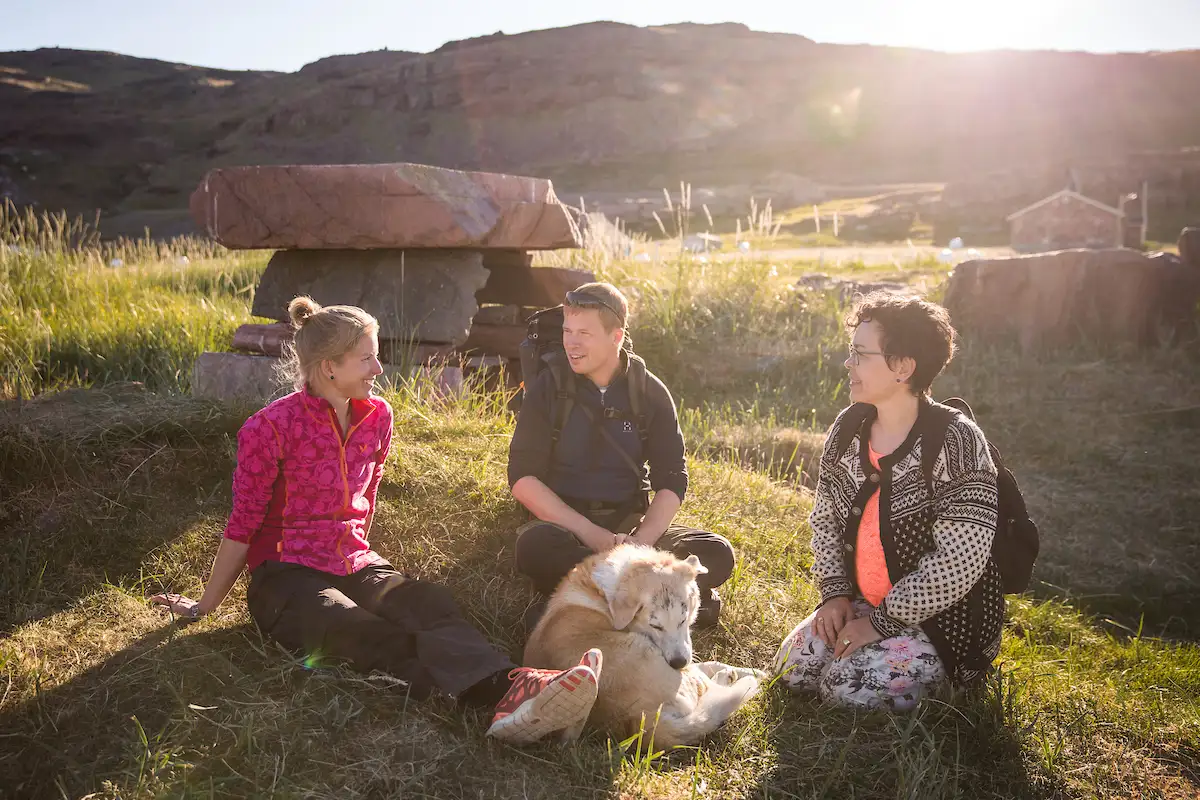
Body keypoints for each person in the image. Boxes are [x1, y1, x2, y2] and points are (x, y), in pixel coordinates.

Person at [151, 296, 602, 745]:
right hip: (285, 579)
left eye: (377, 356)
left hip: (353, 561)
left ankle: (521, 688)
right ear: (330, 366)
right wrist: (206, 605)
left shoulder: (378, 418)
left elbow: (366, 497)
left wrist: (364, 567)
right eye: (367, 358)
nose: (378, 370)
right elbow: (243, 524)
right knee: (358, 628)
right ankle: (504, 699)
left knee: (428, 604)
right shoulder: (267, 429)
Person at [773, 292, 1004, 710]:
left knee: (842, 690)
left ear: (902, 367)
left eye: (860, 354)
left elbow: (959, 562)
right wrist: (835, 594)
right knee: (792, 671)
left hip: (941, 621)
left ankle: (955, 682)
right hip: (865, 602)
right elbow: (825, 519)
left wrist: (881, 624)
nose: (849, 364)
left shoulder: (957, 441)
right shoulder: (849, 427)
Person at [508, 282, 735, 628]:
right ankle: (650, 595)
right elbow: (522, 478)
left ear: (616, 337)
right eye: (568, 331)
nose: (571, 342)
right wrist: (590, 534)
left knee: (717, 552)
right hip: (565, 526)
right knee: (535, 548)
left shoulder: (649, 391)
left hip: (630, 526)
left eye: (585, 332)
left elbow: (673, 477)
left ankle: (595, 593)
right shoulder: (549, 386)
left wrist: (641, 545)